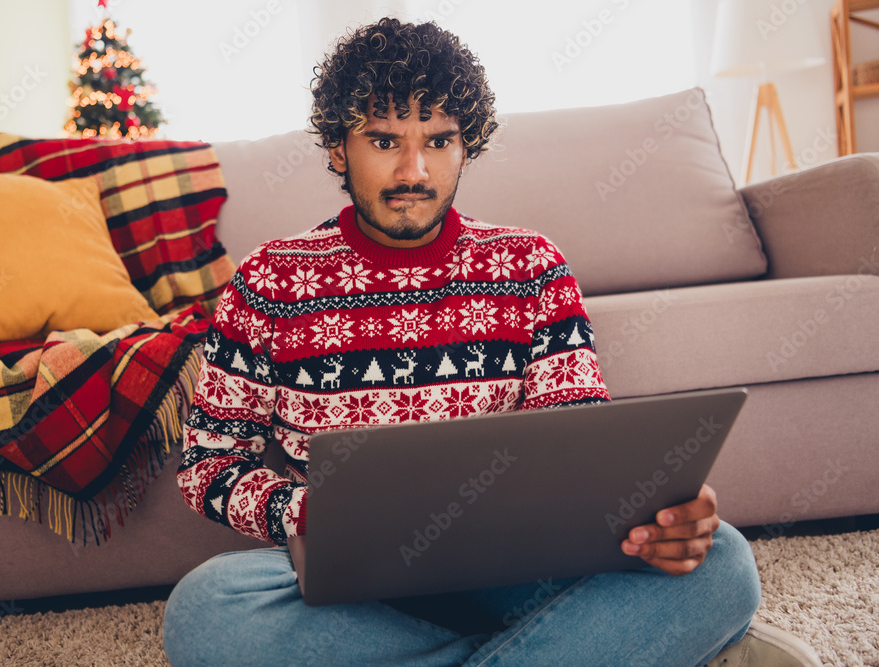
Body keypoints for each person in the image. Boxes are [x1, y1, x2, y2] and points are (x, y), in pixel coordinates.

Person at [164, 17, 771, 666]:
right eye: (383, 140)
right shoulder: (269, 280)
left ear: (466, 145)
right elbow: (209, 463)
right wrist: (314, 512)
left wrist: (657, 511)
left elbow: (578, 433)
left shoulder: (531, 265)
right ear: (339, 149)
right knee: (207, 607)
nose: (413, 169)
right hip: (355, 590)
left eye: (440, 140)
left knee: (724, 561)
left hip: (520, 568)